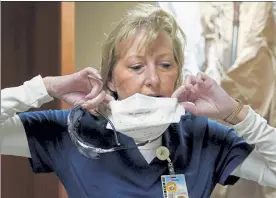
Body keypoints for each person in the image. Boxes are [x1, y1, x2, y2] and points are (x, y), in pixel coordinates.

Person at [0, 4, 275, 198]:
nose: (153, 79)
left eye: (166, 65)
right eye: (136, 67)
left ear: (178, 74)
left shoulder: (202, 136)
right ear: (109, 79)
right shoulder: (74, 131)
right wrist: (45, 87)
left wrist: (237, 113)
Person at [200, 2, 276, 198]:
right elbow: (208, 51)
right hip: (216, 103)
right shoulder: (209, 9)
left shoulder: (263, 7)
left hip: (262, 90)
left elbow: (260, 49)